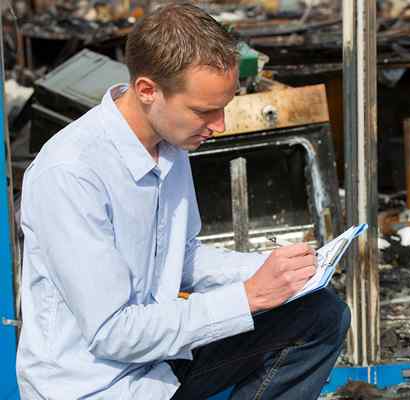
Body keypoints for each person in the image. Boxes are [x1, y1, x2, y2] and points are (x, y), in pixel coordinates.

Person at [16, 3, 350, 399]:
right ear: (146, 90)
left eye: (223, 107)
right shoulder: (71, 173)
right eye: (204, 111)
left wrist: (276, 271)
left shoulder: (169, 146)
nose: (220, 125)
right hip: (98, 385)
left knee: (320, 314)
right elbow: (114, 333)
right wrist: (249, 296)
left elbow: (181, 257)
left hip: (160, 360)